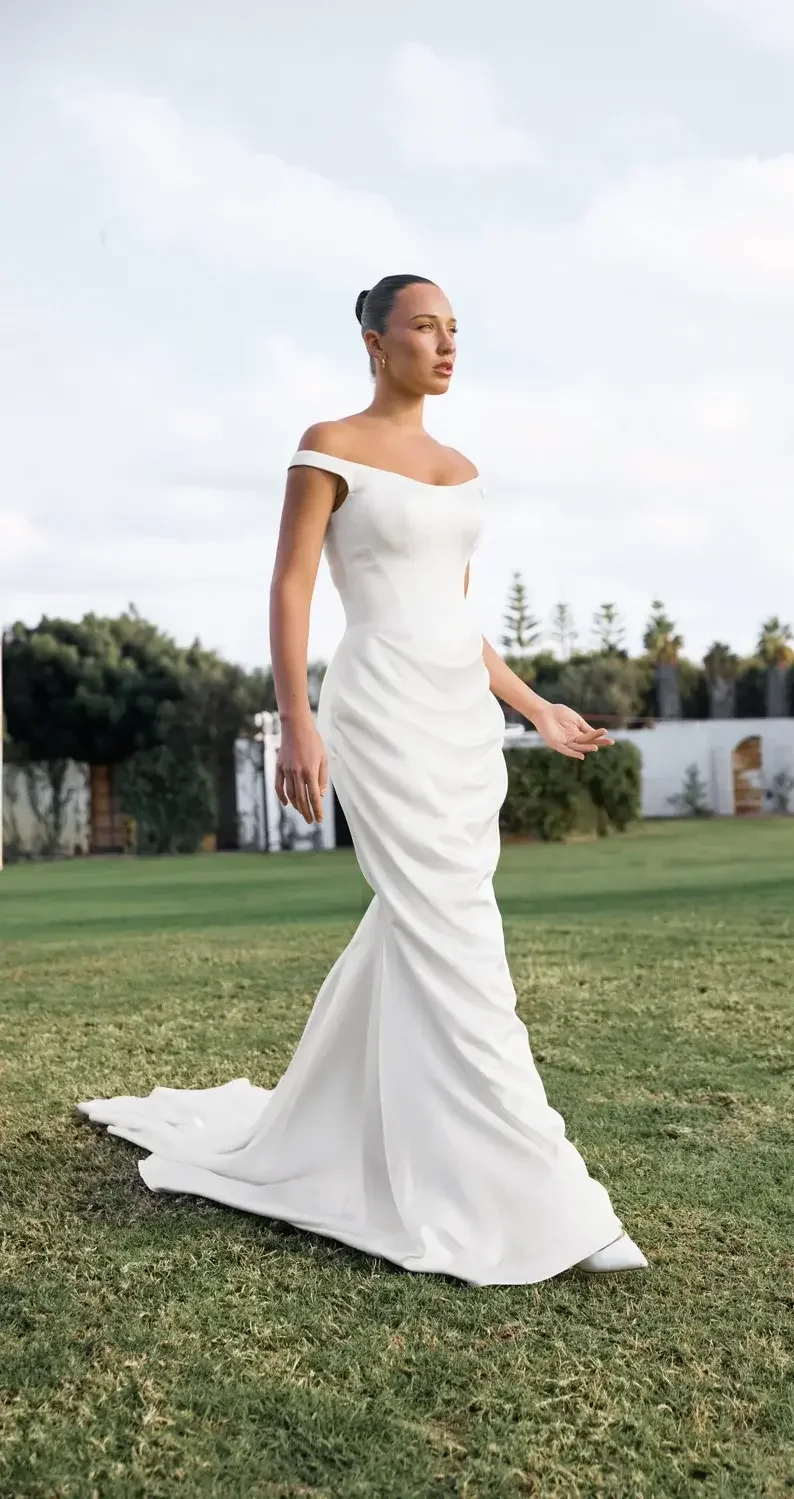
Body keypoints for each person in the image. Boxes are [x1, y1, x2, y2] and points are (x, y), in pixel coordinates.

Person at [78, 274, 648, 1285]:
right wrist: (296, 719)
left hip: (455, 713)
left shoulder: (461, 467)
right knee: (451, 927)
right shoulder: (329, 441)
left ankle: (344, 1131)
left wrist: (532, 704)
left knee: (431, 920)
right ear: (375, 341)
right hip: (376, 704)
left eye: (454, 328)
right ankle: (548, 1189)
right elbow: (291, 581)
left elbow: (457, 617)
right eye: (424, 325)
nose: (445, 342)